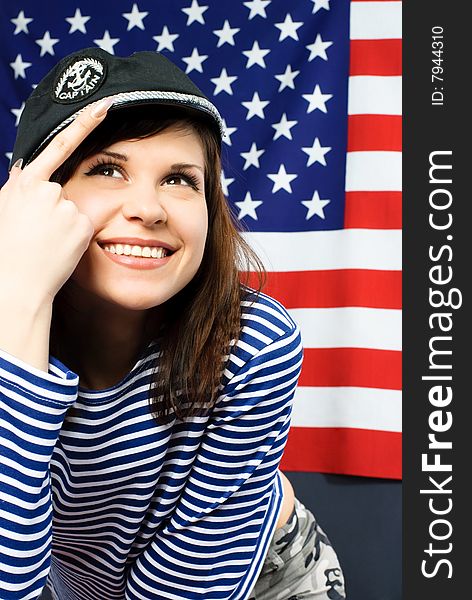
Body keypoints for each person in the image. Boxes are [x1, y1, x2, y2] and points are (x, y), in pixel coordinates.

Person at [0, 48, 345, 600]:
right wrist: (17, 301)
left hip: (259, 578)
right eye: (107, 169)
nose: (150, 208)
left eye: (181, 180)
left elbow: (182, 587)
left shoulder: (254, 344)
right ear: (33, 202)